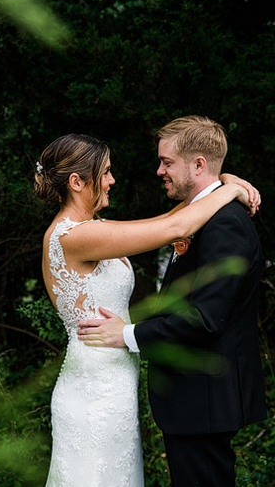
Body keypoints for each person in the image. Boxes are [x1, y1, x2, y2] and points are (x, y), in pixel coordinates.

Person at [34, 132, 258, 487]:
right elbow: (177, 227)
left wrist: (222, 181)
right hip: (94, 386)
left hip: (115, 380)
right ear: (77, 181)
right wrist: (229, 191)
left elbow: (173, 216)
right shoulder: (71, 237)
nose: (112, 180)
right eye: (104, 172)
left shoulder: (97, 229)